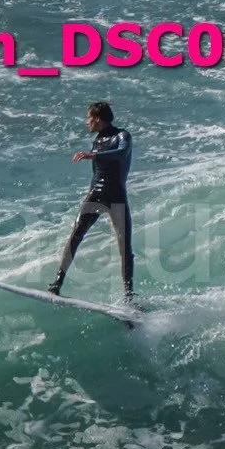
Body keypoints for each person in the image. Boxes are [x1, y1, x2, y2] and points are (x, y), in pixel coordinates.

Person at [51, 101, 134, 301]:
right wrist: (88, 195)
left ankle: (128, 297)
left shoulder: (122, 136)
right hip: (95, 194)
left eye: (89, 118)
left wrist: (93, 155)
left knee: (125, 247)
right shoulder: (97, 140)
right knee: (75, 236)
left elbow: (121, 153)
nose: (87, 122)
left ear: (97, 118)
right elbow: (97, 173)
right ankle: (57, 284)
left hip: (116, 197)